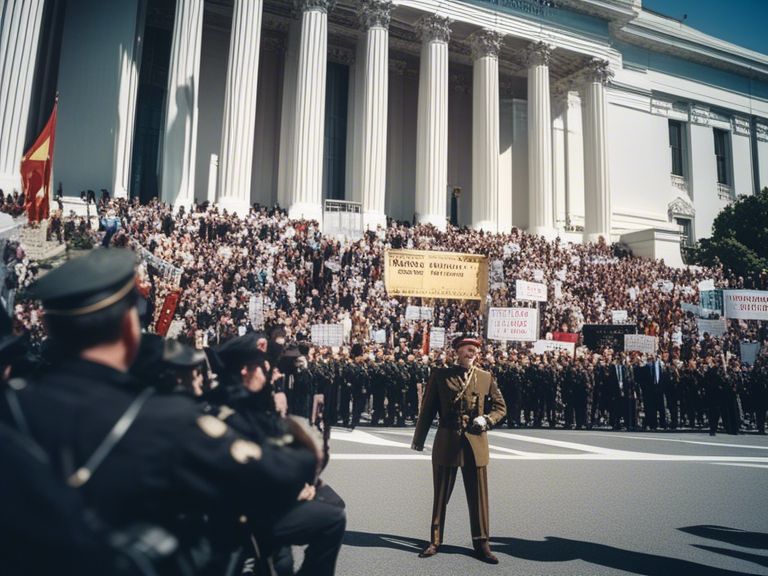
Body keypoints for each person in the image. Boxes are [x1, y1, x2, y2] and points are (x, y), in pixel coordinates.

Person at [1, 248, 318, 575]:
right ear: (129, 327)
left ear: (50, 329)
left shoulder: (12, 407)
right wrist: (295, 433)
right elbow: (282, 472)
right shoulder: (165, 419)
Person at [411, 333, 507, 564]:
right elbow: (427, 410)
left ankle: (482, 542)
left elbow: (501, 407)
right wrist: (419, 440)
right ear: (457, 351)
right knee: (441, 494)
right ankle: (435, 540)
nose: (471, 351)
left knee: (479, 496)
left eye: (475, 348)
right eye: (467, 348)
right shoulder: (441, 375)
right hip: (447, 441)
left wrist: (488, 420)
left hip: (476, 443)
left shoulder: (485, 377)